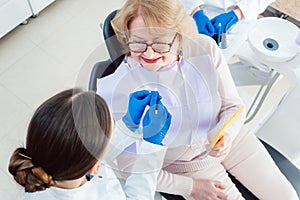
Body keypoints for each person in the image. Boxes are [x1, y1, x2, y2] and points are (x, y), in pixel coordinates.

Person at [96, 0, 299, 199]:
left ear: (179, 35)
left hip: (234, 143)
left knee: (288, 196)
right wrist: (191, 187)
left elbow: (233, 105)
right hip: (187, 168)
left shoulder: (204, 48)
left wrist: (226, 134)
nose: (149, 53)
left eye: (160, 43)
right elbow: (130, 168)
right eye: (138, 42)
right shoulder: (119, 87)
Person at [8, 88, 171, 200]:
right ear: (94, 169)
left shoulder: (38, 164)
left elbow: (85, 150)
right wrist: (152, 147)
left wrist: (128, 125)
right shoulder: (105, 195)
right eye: (112, 127)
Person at [182, 0, 275, 37]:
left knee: (261, 67)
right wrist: (195, 11)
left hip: (243, 16)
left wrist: (237, 14)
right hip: (200, 9)